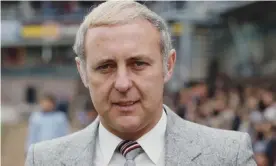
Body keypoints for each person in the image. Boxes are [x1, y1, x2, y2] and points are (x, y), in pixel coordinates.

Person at [25, 1, 256, 165]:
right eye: (105, 67)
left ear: (168, 65)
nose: (123, 84)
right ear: (83, 72)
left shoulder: (228, 155)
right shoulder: (44, 160)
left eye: (138, 64)